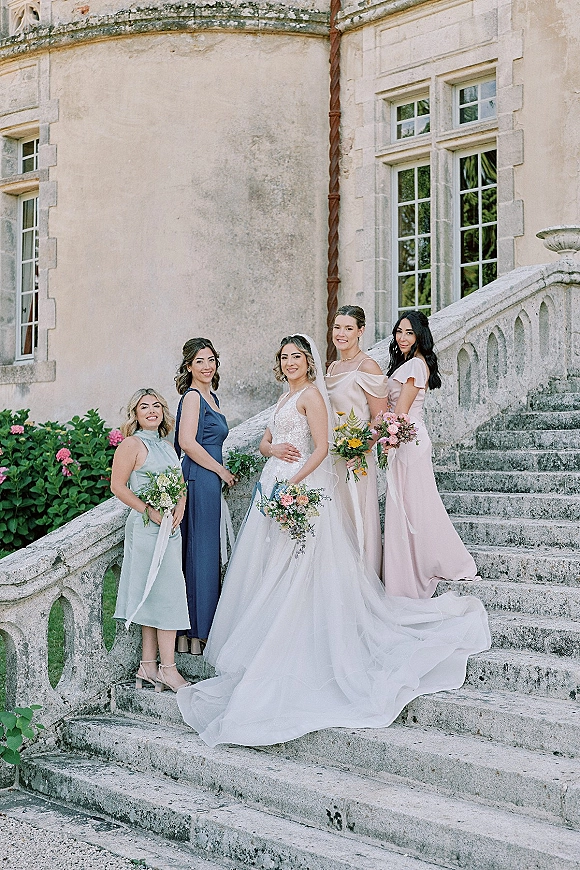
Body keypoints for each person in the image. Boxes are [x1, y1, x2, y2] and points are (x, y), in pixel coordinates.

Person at [176, 334, 490, 748]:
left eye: (296, 357)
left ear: (308, 362)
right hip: (273, 489)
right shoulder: (284, 397)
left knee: (299, 569)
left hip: (297, 492)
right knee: (269, 569)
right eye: (284, 357)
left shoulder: (310, 396)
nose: (290, 363)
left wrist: (295, 484)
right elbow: (264, 443)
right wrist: (275, 451)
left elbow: (322, 449)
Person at [382, 311, 478, 597]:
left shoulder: (414, 366)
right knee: (413, 506)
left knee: (413, 507)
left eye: (409, 333)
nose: (402, 338)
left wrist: (387, 438)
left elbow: (401, 413)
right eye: (399, 331)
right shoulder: (414, 364)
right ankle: (409, 565)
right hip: (407, 439)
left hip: (407, 441)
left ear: (420, 335)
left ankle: (420, 566)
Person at [111, 388, 191, 692]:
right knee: (157, 594)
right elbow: (118, 487)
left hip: (170, 528)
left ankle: (148, 666)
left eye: (156, 405)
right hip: (146, 529)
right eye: (145, 406)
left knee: (161, 594)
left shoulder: (167, 445)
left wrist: (179, 507)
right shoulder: (131, 445)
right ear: (136, 413)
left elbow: (179, 483)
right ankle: (167, 670)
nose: (152, 410)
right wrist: (150, 511)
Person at [174, 338, 235, 656]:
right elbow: (187, 442)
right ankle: (198, 632)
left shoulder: (213, 396)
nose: (207, 365)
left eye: (212, 359)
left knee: (202, 554)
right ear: (189, 366)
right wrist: (222, 472)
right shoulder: (194, 396)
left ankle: (191, 635)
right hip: (199, 477)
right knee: (200, 554)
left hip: (207, 477)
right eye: (200, 361)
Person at [326, 305, 388, 576]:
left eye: (348, 328)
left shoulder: (368, 365)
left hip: (357, 457)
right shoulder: (333, 366)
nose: (341, 333)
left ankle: (365, 579)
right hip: (332, 457)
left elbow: (380, 417)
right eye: (337, 327)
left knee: (357, 515)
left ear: (361, 331)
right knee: (337, 518)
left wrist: (361, 447)